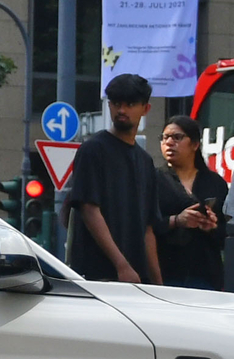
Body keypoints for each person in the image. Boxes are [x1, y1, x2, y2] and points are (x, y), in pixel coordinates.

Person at [63, 74, 163, 286]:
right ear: (109, 105)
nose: (122, 110)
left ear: (146, 109)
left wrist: (158, 284)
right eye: (116, 104)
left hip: (136, 279)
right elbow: (89, 209)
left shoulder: (145, 161)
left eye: (130, 104)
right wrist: (122, 266)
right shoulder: (93, 150)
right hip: (98, 276)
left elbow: (147, 228)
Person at [153, 119, 227, 290]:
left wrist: (211, 226)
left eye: (177, 137)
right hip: (165, 271)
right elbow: (145, 224)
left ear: (195, 145)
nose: (169, 143)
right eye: (165, 138)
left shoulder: (214, 182)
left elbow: (227, 232)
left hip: (205, 272)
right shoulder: (154, 179)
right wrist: (176, 220)